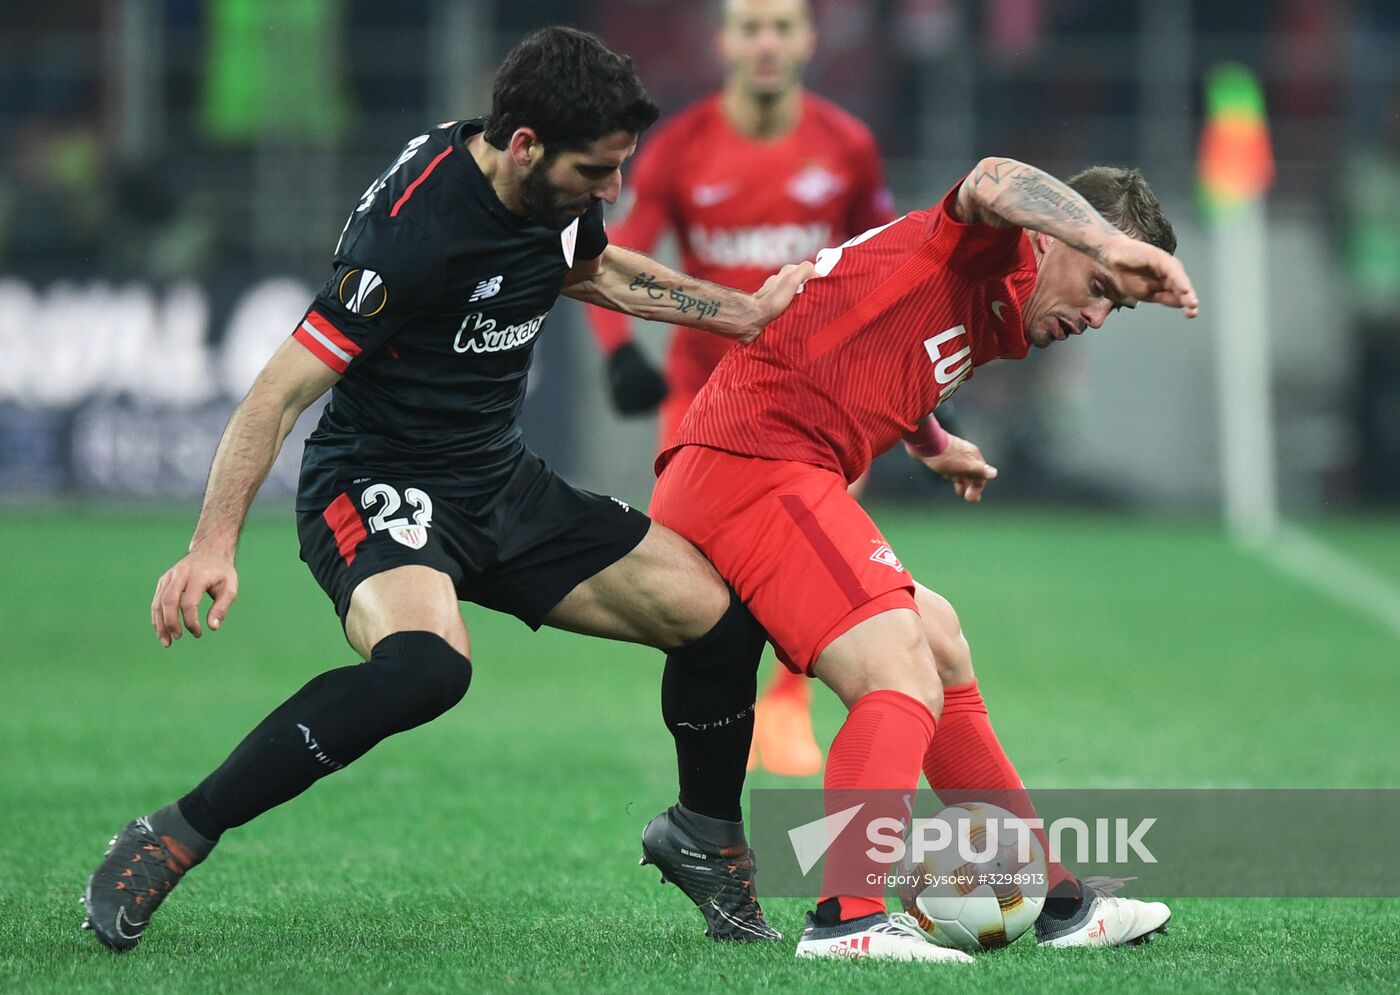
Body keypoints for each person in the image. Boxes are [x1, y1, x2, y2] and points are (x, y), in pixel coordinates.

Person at [80, 26, 813, 952]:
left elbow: (591, 265)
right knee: (428, 669)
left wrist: (740, 312)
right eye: (598, 169)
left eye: (620, 168)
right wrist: (212, 545)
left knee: (715, 617)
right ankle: (173, 835)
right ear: (525, 147)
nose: (613, 190)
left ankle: (707, 837)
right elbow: (277, 394)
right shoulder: (411, 238)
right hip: (377, 482)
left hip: (499, 480)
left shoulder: (547, 183)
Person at [643, 156, 1199, 960]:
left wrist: (931, 442)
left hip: (765, 465)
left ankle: (1058, 901)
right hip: (753, 462)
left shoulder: (998, 300)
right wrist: (1099, 234)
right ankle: (849, 918)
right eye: (1103, 288)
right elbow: (991, 175)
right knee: (896, 661)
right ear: (1052, 240)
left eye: (1118, 305)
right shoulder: (997, 247)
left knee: (936, 640)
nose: (1099, 316)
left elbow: (879, 336)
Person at [587, 0, 895, 777]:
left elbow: (888, 258)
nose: (766, 42)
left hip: (813, 403)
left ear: (808, 40)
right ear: (721, 40)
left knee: (813, 558)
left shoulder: (847, 147)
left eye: (782, 25)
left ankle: (788, 706)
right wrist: (619, 350)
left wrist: (901, 371)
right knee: (689, 577)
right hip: (701, 397)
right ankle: (715, 722)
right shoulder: (680, 149)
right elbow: (614, 256)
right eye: (750, 26)